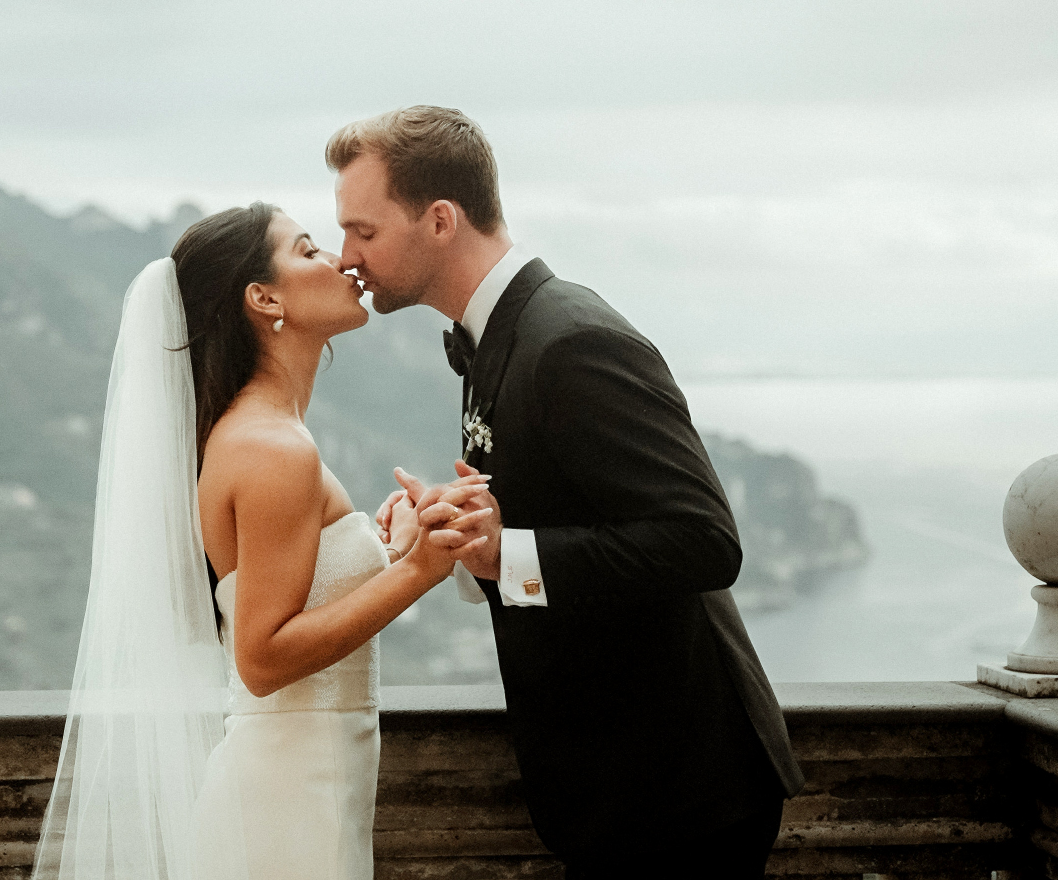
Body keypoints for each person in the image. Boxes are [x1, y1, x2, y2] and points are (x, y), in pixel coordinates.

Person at [331, 106, 806, 879]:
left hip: (681, 796)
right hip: (621, 790)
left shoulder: (573, 340)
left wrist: (506, 551)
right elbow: (551, 509)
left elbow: (704, 539)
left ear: (441, 219)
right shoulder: (497, 339)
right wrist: (455, 530)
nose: (347, 255)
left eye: (365, 230)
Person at [33, 203, 490, 880]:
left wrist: (386, 550)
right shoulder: (272, 447)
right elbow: (263, 656)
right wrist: (419, 572)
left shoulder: (265, 435)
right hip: (288, 798)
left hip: (309, 785)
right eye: (308, 250)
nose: (340, 259)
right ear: (264, 297)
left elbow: (288, 594)